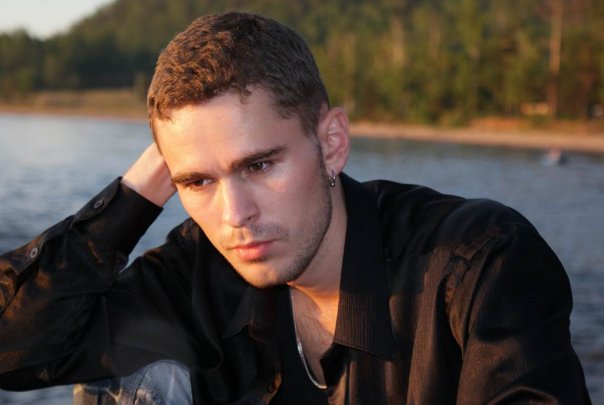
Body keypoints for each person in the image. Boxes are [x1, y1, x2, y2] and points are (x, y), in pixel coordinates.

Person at [0, 11, 591, 404]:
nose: (235, 215)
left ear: (331, 143)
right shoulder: (203, 270)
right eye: (197, 181)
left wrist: (199, 162)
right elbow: (13, 347)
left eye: (258, 166)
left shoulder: (479, 264)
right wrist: (136, 194)